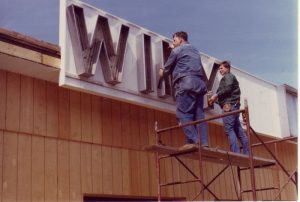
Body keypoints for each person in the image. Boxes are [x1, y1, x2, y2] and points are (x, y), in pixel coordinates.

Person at [159, 31, 208, 150]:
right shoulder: (195, 50)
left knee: (183, 114)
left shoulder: (177, 50)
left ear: (180, 40)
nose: (173, 43)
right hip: (199, 84)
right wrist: (174, 47)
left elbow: (166, 70)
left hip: (186, 83)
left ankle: (195, 141)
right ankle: (204, 142)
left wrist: (161, 72)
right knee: (199, 115)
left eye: (174, 40)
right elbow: (186, 59)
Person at [208, 61, 249, 155]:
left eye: (221, 68)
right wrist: (216, 100)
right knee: (238, 130)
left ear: (227, 68)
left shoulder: (228, 77)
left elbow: (228, 88)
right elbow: (226, 97)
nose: (219, 70)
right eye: (219, 69)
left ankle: (236, 153)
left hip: (230, 106)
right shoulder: (229, 78)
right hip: (233, 106)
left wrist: (215, 95)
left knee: (229, 129)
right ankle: (247, 153)